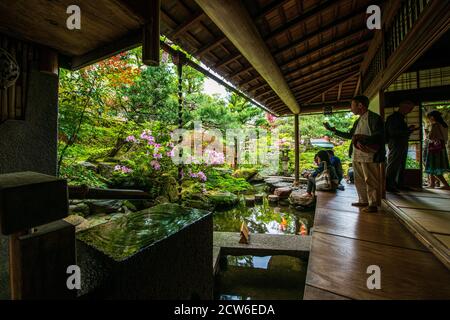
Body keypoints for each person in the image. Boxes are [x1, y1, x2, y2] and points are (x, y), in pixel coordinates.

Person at [324, 95, 385, 213]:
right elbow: (350, 135)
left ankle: (373, 204)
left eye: (352, 106)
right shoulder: (358, 120)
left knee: (370, 179)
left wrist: (364, 139)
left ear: (360, 105)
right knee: (359, 179)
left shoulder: (374, 118)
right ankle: (363, 200)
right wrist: (333, 130)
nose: (351, 109)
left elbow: (380, 136)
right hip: (357, 153)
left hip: (369, 153)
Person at [385, 101, 418, 192]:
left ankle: (399, 184)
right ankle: (388, 185)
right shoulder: (393, 118)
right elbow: (393, 132)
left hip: (401, 142)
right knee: (393, 164)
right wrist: (408, 131)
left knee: (401, 164)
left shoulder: (399, 118)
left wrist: (408, 130)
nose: (410, 111)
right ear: (403, 106)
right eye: (409, 108)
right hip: (396, 143)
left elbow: (399, 131)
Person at [424, 110, 450, 189]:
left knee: (433, 166)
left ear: (432, 117)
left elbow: (431, 137)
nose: (429, 119)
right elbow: (444, 138)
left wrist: (427, 133)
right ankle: (432, 184)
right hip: (441, 146)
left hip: (434, 147)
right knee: (434, 166)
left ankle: (446, 185)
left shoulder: (435, 125)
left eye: (429, 117)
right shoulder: (444, 124)